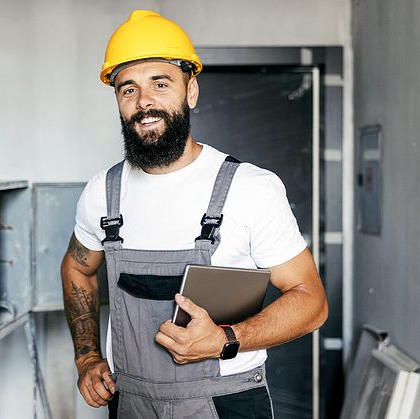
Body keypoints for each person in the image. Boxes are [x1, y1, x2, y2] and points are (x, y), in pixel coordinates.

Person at [60, 10, 328, 418]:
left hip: (227, 403)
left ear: (192, 92)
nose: (144, 102)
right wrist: (87, 358)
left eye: (160, 84)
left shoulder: (250, 188)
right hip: (130, 402)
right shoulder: (103, 192)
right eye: (127, 89)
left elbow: (312, 303)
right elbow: (77, 268)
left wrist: (225, 338)